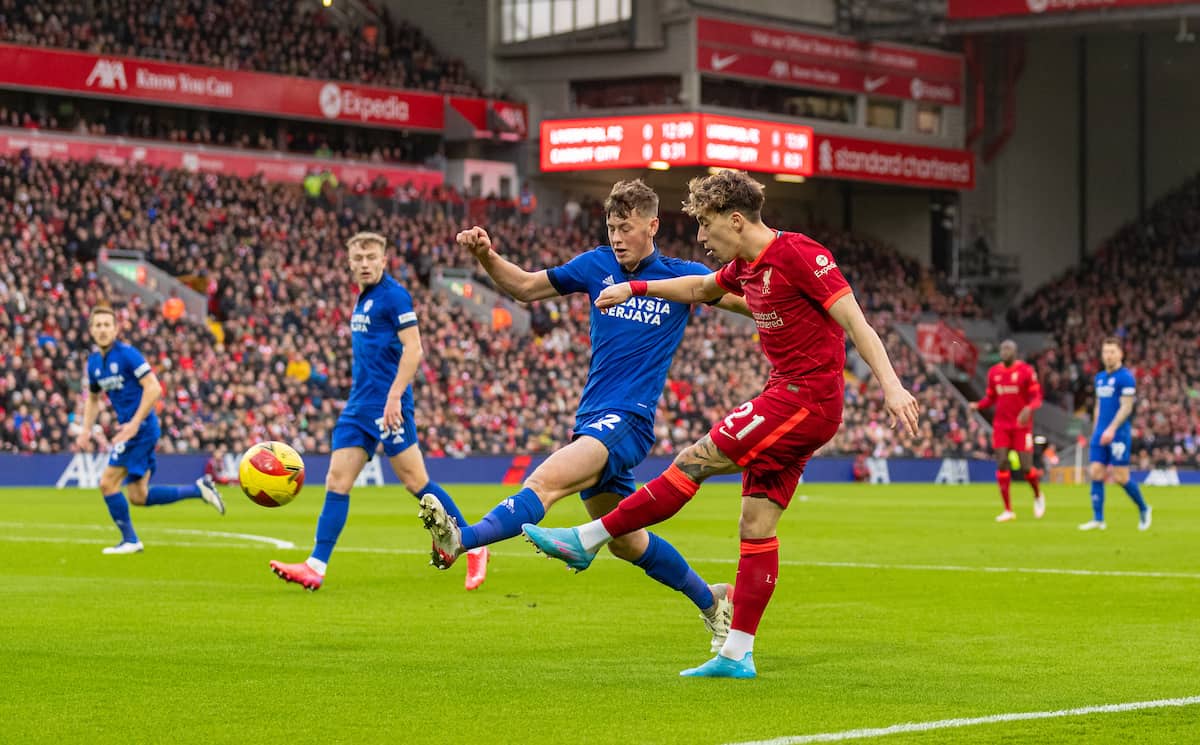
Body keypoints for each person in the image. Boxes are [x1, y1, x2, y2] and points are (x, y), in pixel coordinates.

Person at [522, 170, 921, 678]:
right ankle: (736, 653)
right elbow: (699, 287)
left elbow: (857, 323)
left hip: (804, 400)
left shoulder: (800, 254)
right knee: (755, 526)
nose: (701, 238)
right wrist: (636, 287)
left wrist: (891, 385)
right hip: (789, 400)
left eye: (707, 227)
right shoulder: (744, 267)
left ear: (735, 220)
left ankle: (589, 538)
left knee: (693, 460)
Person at [419, 179, 751, 651]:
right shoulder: (597, 265)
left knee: (545, 482)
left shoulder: (683, 277)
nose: (617, 237)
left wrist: (793, 305)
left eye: (626, 227)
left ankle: (464, 539)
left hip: (628, 421)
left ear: (652, 226)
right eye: (612, 227)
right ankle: (712, 601)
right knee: (625, 542)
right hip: (593, 418)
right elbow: (526, 288)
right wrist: (485, 257)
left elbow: (750, 305)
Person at [269, 232, 478, 590]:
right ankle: (315, 566)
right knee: (337, 481)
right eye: (359, 258)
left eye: (371, 257)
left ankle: (475, 546)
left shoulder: (394, 296)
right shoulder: (363, 299)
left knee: (416, 482)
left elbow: (414, 350)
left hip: (388, 404)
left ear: (383, 260)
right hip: (358, 405)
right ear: (350, 263)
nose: (365, 263)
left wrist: (395, 396)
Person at [76, 305, 225, 554]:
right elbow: (92, 399)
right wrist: (85, 430)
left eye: (107, 325)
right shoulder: (94, 364)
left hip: (141, 430)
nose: (102, 330)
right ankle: (198, 489)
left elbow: (154, 387)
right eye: (98, 325)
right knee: (138, 496)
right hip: (133, 431)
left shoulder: (127, 355)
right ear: (91, 330)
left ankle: (131, 540)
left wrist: (134, 424)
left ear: (116, 329)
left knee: (107, 483)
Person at [969, 339, 1046, 522]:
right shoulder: (994, 372)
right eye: (1002, 348)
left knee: (1026, 467)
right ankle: (1008, 509)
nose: (1004, 351)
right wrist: (977, 405)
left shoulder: (1026, 371)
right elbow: (991, 398)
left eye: (1008, 349)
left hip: (1021, 427)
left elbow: (1037, 397)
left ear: (1015, 351)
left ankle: (1037, 495)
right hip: (1001, 426)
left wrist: (1029, 408)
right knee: (1002, 462)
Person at [1079, 337, 1151, 531]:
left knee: (1120, 477)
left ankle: (1144, 508)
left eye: (1112, 351)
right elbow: (1098, 406)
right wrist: (1096, 430)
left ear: (1121, 353)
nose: (1108, 355)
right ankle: (1098, 519)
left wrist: (1111, 429)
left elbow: (1126, 407)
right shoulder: (1099, 378)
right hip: (1100, 432)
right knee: (1095, 472)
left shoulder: (1126, 377)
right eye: (1105, 352)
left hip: (1118, 433)